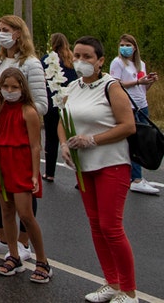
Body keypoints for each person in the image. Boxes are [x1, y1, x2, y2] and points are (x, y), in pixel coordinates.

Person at [63, 36, 138, 303]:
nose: (81, 61)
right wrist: (63, 144)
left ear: (101, 60)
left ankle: (129, 292)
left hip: (111, 164)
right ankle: (111, 282)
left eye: (87, 57)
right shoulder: (72, 87)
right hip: (84, 167)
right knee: (96, 226)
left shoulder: (111, 86)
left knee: (111, 227)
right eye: (77, 56)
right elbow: (63, 118)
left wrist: (92, 139)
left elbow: (128, 125)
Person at [0, 15, 48, 260]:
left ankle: (24, 242)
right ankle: (3, 236)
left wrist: (14, 112)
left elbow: (40, 104)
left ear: (18, 33)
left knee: (23, 192)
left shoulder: (31, 63)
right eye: (0, 30)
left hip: (18, 135)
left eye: (6, 30)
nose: (0, 34)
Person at [0, 68, 51, 282]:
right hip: (1, 163)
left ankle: (42, 261)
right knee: (6, 210)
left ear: (22, 88)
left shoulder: (29, 111)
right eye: (6, 87)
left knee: (25, 214)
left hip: (20, 164)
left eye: (14, 87)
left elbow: (35, 146)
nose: (10, 91)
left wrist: (35, 174)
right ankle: (13, 255)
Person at [109, 33, 160, 195]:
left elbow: (142, 89)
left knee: (144, 142)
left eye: (128, 45)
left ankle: (136, 176)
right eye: (122, 45)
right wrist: (138, 81)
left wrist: (148, 81)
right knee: (136, 142)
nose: (124, 48)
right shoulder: (117, 63)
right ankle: (136, 179)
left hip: (141, 106)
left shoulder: (140, 64)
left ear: (135, 47)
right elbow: (115, 84)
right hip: (128, 107)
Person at [41, 32, 77, 183]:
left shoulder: (47, 59)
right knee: (72, 137)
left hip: (52, 102)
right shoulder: (72, 59)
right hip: (70, 102)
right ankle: (78, 176)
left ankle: (50, 173)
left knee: (51, 138)